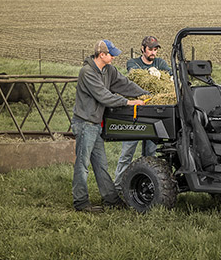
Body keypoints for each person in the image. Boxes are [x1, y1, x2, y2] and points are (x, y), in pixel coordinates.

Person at [71, 39, 146, 213]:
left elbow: (124, 84)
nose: (114, 57)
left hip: (95, 124)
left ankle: (111, 200)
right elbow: (104, 96)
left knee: (101, 164)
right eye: (111, 54)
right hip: (84, 124)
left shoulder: (108, 70)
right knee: (82, 165)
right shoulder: (87, 72)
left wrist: (146, 94)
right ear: (102, 54)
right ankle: (80, 202)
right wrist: (128, 102)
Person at [114, 35, 172, 191]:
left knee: (151, 154)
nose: (153, 53)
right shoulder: (133, 63)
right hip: (135, 114)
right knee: (127, 153)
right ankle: (118, 187)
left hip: (153, 113)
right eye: (150, 49)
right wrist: (150, 74)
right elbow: (135, 74)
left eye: (155, 50)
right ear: (143, 49)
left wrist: (168, 77)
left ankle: (148, 186)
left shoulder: (160, 63)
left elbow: (169, 74)